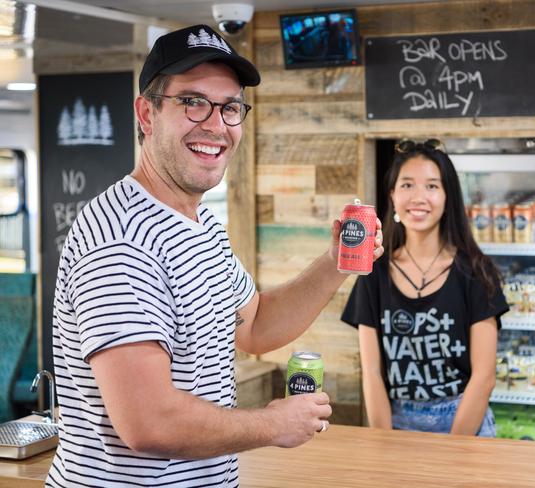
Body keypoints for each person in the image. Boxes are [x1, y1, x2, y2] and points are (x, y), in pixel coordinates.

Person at [46, 25, 383, 487]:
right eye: (193, 102)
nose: (215, 124)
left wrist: (337, 262)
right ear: (146, 113)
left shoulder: (199, 226)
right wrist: (274, 424)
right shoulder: (120, 241)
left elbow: (257, 324)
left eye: (230, 107)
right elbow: (149, 422)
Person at [341, 139, 508, 436]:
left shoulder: (476, 272)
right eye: (407, 185)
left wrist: (454, 450)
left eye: (432, 186)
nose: (419, 197)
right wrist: (383, 443)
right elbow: (372, 374)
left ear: (448, 197)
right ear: (392, 195)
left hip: (465, 423)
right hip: (397, 423)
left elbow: (484, 377)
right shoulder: (373, 275)